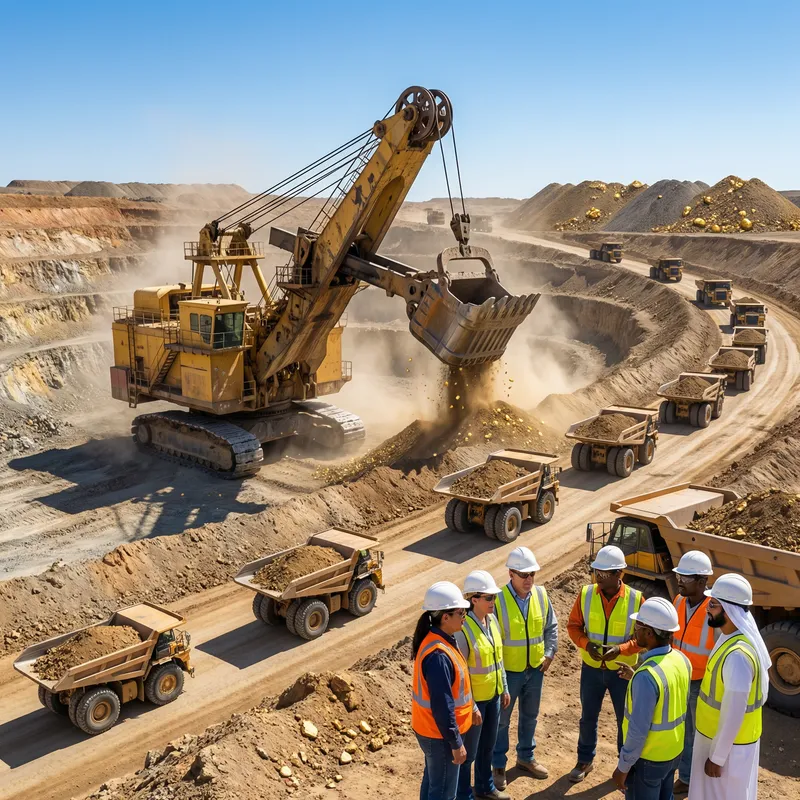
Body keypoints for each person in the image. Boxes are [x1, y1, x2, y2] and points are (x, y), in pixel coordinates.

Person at [689, 574, 771, 800]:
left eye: (713, 605)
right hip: (721, 742)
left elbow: (735, 711)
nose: (708, 609)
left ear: (729, 610)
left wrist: (718, 757)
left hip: (729, 750)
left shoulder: (737, 657)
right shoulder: (731, 639)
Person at [566, 544, 643, 783]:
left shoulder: (636, 599)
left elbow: (643, 638)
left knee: (624, 720)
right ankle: (584, 760)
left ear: (619, 573)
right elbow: (573, 626)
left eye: (604, 573)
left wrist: (620, 649)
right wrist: (585, 643)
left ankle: (624, 765)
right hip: (591, 669)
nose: (598, 576)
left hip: (622, 672)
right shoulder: (586, 594)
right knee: (588, 717)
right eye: (596, 571)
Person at [491, 546, 558, 791]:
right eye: (523, 574)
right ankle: (498, 765)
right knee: (501, 721)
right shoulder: (498, 600)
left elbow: (551, 627)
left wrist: (549, 653)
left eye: (532, 574)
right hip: (510, 672)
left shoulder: (541, 594)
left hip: (535, 670)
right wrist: (499, 674)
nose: (529, 579)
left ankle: (526, 757)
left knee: (530, 716)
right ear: (511, 573)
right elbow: (493, 641)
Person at [612, 597, 692, 799]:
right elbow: (668, 695)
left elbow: (638, 730)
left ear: (649, 633)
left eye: (638, 626)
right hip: (673, 753)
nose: (634, 631)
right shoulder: (682, 660)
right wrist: (635, 678)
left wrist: (623, 767)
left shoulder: (646, 677)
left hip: (648, 759)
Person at [412, 580, 480, 800]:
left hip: (433, 731)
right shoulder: (438, 655)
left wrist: (472, 707)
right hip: (439, 735)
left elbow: (457, 688)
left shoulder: (442, 641)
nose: (465, 616)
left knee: (434, 784)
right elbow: (442, 705)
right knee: (443, 793)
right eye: (461, 612)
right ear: (445, 617)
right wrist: (456, 743)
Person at [455, 570, 512, 800]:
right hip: (475, 703)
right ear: (474, 599)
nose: (493, 601)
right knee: (468, 754)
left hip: (494, 696)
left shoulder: (492, 620)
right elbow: (461, 674)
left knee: (488, 746)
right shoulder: (463, 629)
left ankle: (485, 787)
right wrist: (472, 706)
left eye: (494, 597)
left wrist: (504, 687)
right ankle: (463, 794)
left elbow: (499, 658)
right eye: (488, 597)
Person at [671, 551, 717, 796]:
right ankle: (686, 777)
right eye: (679, 576)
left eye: (685, 578)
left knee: (700, 736)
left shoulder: (714, 609)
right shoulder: (678, 601)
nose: (680, 582)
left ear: (702, 582)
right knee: (682, 731)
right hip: (679, 679)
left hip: (701, 684)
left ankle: (696, 780)